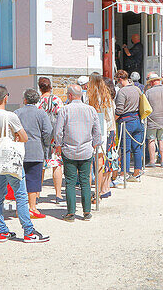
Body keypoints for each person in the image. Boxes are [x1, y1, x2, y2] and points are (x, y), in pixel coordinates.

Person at [0, 85, 48, 243]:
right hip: (12, 160)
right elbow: (24, 137)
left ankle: (2, 231)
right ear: (6, 97)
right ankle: (28, 231)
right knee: (21, 196)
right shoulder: (10, 116)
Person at [52, 84, 102, 221]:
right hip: (86, 149)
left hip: (69, 149)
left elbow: (58, 130)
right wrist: (96, 144)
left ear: (69, 95)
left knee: (70, 182)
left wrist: (58, 145)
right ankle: (86, 212)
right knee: (85, 181)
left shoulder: (65, 110)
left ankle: (71, 213)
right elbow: (97, 129)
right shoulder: (90, 110)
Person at [15, 88, 52, 220]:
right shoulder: (41, 114)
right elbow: (48, 131)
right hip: (36, 149)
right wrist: (46, 144)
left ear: (25, 99)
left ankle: (20, 208)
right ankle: (32, 207)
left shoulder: (17, 113)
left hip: (20, 150)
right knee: (34, 180)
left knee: (19, 180)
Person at [114, 70, 145, 187]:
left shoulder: (122, 92)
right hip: (137, 119)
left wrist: (113, 119)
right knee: (137, 148)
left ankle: (124, 174)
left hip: (126, 122)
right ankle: (137, 172)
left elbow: (120, 110)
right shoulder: (137, 89)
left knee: (125, 149)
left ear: (120, 80)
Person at [87, 73, 116, 199]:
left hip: (95, 131)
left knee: (92, 163)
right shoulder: (106, 97)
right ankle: (100, 190)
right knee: (102, 162)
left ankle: (92, 192)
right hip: (107, 130)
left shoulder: (91, 97)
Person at [37, 77, 64, 200]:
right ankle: (58, 194)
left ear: (39, 88)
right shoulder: (56, 100)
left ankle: (36, 194)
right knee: (56, 164)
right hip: (54, 136)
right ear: (51, 87)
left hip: (40, 136)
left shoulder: (37, 101)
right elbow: (61, 117)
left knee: (40, 166)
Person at [144, 73, 163, 168]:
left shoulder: (148, 92)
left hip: (152, 119)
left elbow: (145, 106)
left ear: (152, 82)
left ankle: (152, 161)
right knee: (162, 139)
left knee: (151, 139)